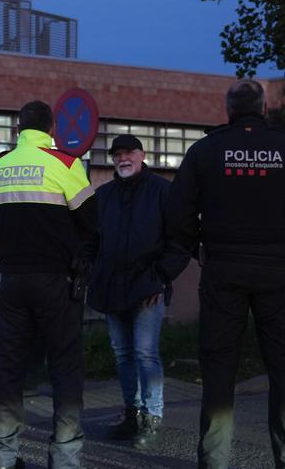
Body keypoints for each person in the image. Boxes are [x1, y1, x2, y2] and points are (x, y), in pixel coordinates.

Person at [163, 79, 285, 469]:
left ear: (228, 110)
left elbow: (176, 216)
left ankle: (214, 462)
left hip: (223, 271)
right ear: (264, 109)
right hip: (279, 274)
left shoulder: (205, 151)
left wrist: (200, 249)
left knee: (218, 369)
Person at [0, 100, 98, 469]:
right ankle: (64, 458)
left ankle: (3, 457)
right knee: (65, 367)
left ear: (18, 130)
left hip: (12, 282)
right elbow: (92, 222)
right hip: (57, 283)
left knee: (8, 368)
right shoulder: (65, 163)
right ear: (51, 130)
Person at [84, 133, 171, 450]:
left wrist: (161, 278)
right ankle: (132, 414)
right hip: (111, 287)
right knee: (123, 355)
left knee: (145, 354)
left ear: (142, 154)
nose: (123, 159)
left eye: (129, 153)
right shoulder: (104, 195)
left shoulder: (161, 190)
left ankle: (152, 417)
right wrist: (92, 275)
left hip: (148, 288)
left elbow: (179, 238)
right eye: (117, 154)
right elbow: (91, 240)